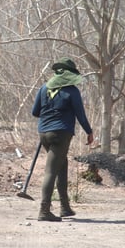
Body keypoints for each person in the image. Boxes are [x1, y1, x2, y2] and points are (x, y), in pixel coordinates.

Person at [32, 57, 93, 222]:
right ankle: (44, 210)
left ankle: (65, 207)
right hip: (61, 134)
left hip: (44, 133)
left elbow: (35, 112)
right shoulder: (72, 91)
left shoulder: (43, 88)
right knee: (51, 171)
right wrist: (89, 131)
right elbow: (80, 115)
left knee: (61, 165)